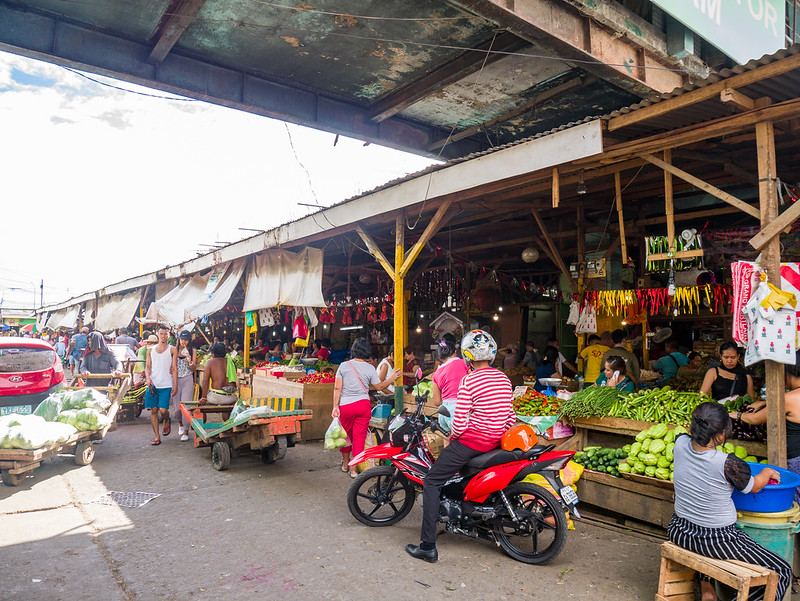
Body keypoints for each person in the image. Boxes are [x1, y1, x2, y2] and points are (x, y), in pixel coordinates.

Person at [406, 330, 515, 563]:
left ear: (467, 355)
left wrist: (452, 436)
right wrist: (497, 434)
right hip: (497, 442)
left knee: (432, 481)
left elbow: (460, 421)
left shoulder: (469, 380)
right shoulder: (504, 379)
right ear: (493, 353)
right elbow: (510, 418)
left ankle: (427, 546)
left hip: (472, 441)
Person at [669, 402, 791, 601]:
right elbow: (755, 486)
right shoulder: (727, 463)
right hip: (716, 539)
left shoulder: (680, 442)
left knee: (705, 539)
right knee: (781, 569)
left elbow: (687, 438)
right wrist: (767, 471)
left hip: (680, 530)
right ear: (720, 434)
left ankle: (707, 590)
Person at [731, 350, 800, 503]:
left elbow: (756, 419)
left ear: (788, 372)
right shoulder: (792, 396)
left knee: (795, 498)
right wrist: (764, 402)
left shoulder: (787, 398)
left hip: (795, 457)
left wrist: (738, 415)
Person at [332, 338, 400, 478]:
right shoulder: (369, 368)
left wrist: (335, 406)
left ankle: (345, 464)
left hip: (346, 406)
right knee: (359, 438)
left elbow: (337, 388)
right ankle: (353, 470)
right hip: (363, 406)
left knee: (345, 436)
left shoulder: (344, 366)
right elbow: (379, 387)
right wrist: (393, 378)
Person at [145, 325, 177, 446]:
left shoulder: (172, 349)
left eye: (166, 334)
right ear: (158, 334)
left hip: (166, 384)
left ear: (169, 335)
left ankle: (166, 419)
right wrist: (148, 378)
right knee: (153, 410)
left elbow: (173, 368)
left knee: (163, 410)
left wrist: (175, 385)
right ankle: (157, 437)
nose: (163, 336)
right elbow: (147, 367)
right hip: (153, 384)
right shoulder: (150, 350)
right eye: (162, 333)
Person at [431, 334, 469, 432]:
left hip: (443, 411)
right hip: (458, 410)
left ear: (440, 358)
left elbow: (437, 402)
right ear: (455, 352)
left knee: (447, 439)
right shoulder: (463, 363)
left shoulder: (436, 373)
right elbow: (474, 379)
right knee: (464, 443)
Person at [174, 330, 197, 442]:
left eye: (186, 339)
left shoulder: (192, 351)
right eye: (182, 339)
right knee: (177, 408)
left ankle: (186, 431)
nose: (184, 341)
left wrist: (189, 359)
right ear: (179, 339)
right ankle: (180, 424)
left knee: (186, 405)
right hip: (176, 379)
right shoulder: (174, 350)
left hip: (188, 378)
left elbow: (193, 369)